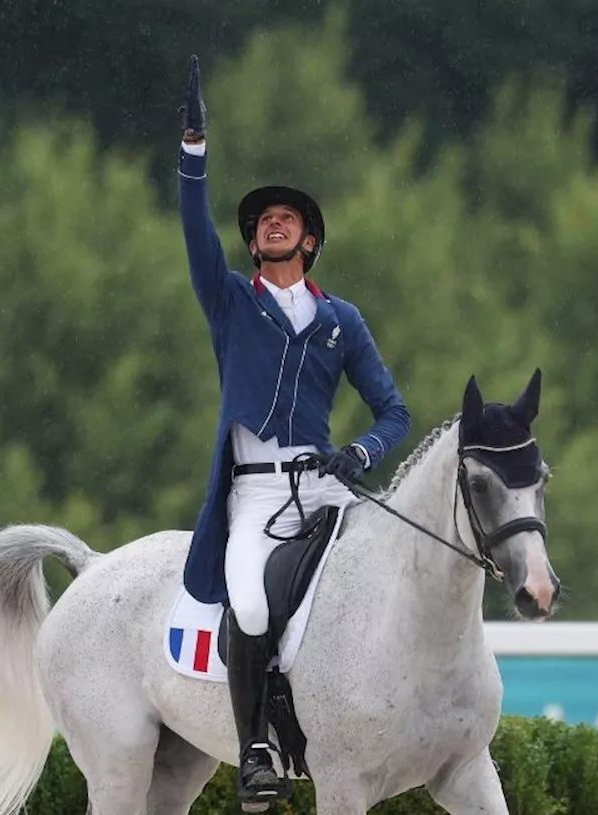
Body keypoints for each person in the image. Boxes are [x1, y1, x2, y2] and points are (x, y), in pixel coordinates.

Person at [175, 55, 412, 809]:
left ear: (309, 242)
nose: (272, 222)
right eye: (261, 222)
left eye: (287, 218)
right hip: (254, 496)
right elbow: (192, 229)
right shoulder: (231, 304)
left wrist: (364, 452)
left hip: (328, 489)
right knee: (248, 607)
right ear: (253, 247)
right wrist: (192, 156)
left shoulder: (343, 322)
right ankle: (255, 751)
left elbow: (394, 412)